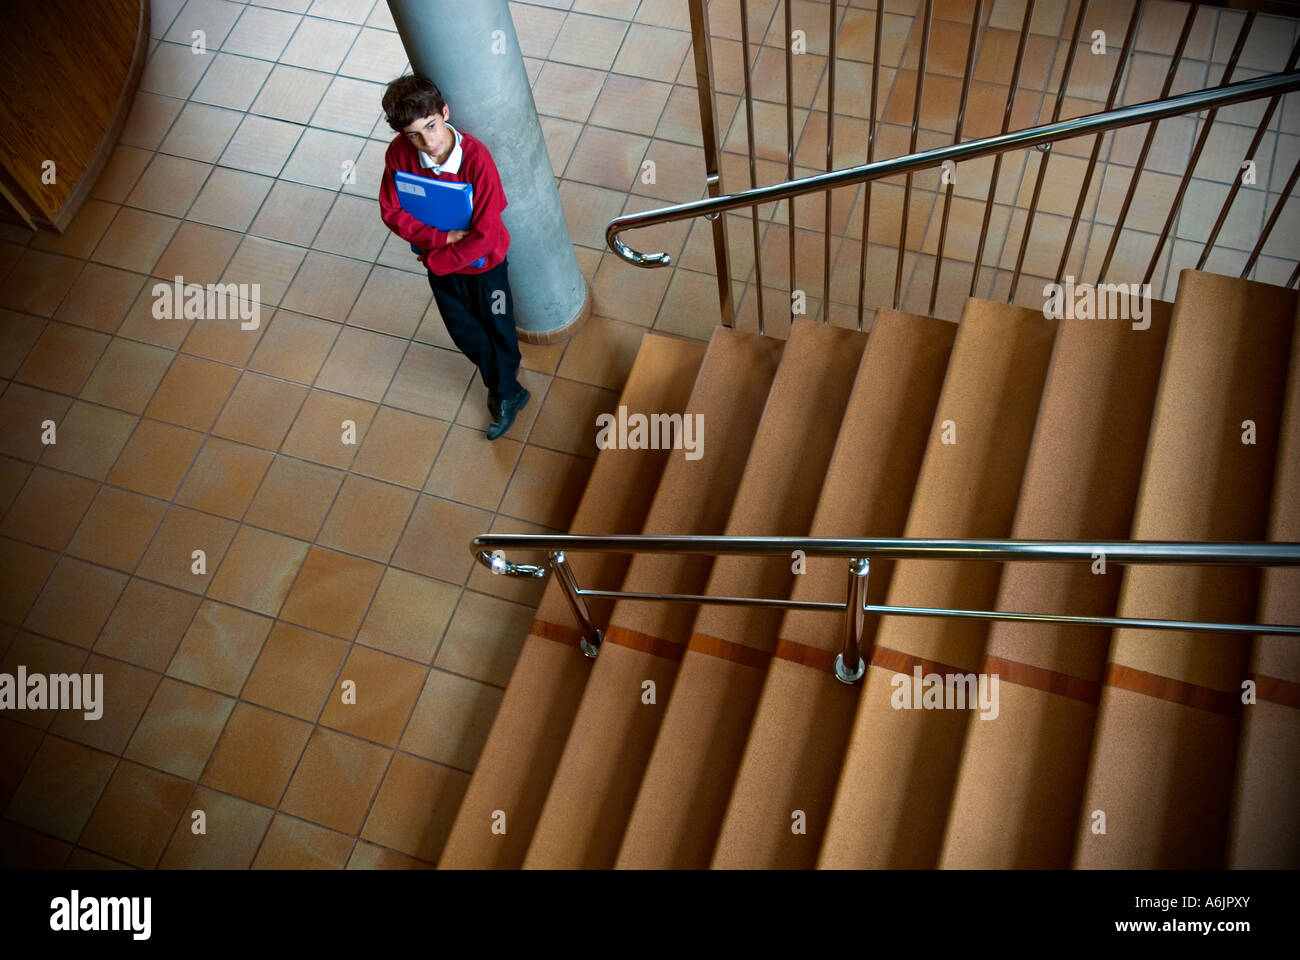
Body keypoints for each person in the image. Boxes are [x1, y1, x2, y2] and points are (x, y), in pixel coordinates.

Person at [378, 74, 528, 440]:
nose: (427, 142)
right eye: (414, 134)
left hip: (485, 267)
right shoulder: (398, 153)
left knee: (499, 326)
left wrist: (436, 260)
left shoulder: (477, 159)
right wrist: (440, 238)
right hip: (442, 259)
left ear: (445, 112)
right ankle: (508, 389)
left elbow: (486, 236)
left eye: (431, 126)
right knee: (464, 332)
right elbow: (391, 211)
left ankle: (506, 391)